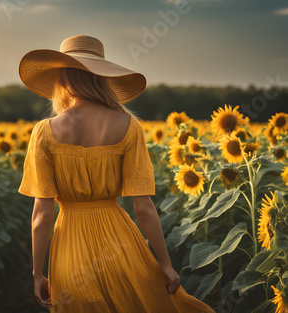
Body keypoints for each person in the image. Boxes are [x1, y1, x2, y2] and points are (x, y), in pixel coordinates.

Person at [17, 35, 216, 313]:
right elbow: (144, 208)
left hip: (69, 247)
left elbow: (42, 214)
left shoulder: (44, 132)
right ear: (101, 77)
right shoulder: (129, 125)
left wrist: (37, 273)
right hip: (119, 241)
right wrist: (166, 264)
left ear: (61, 79)